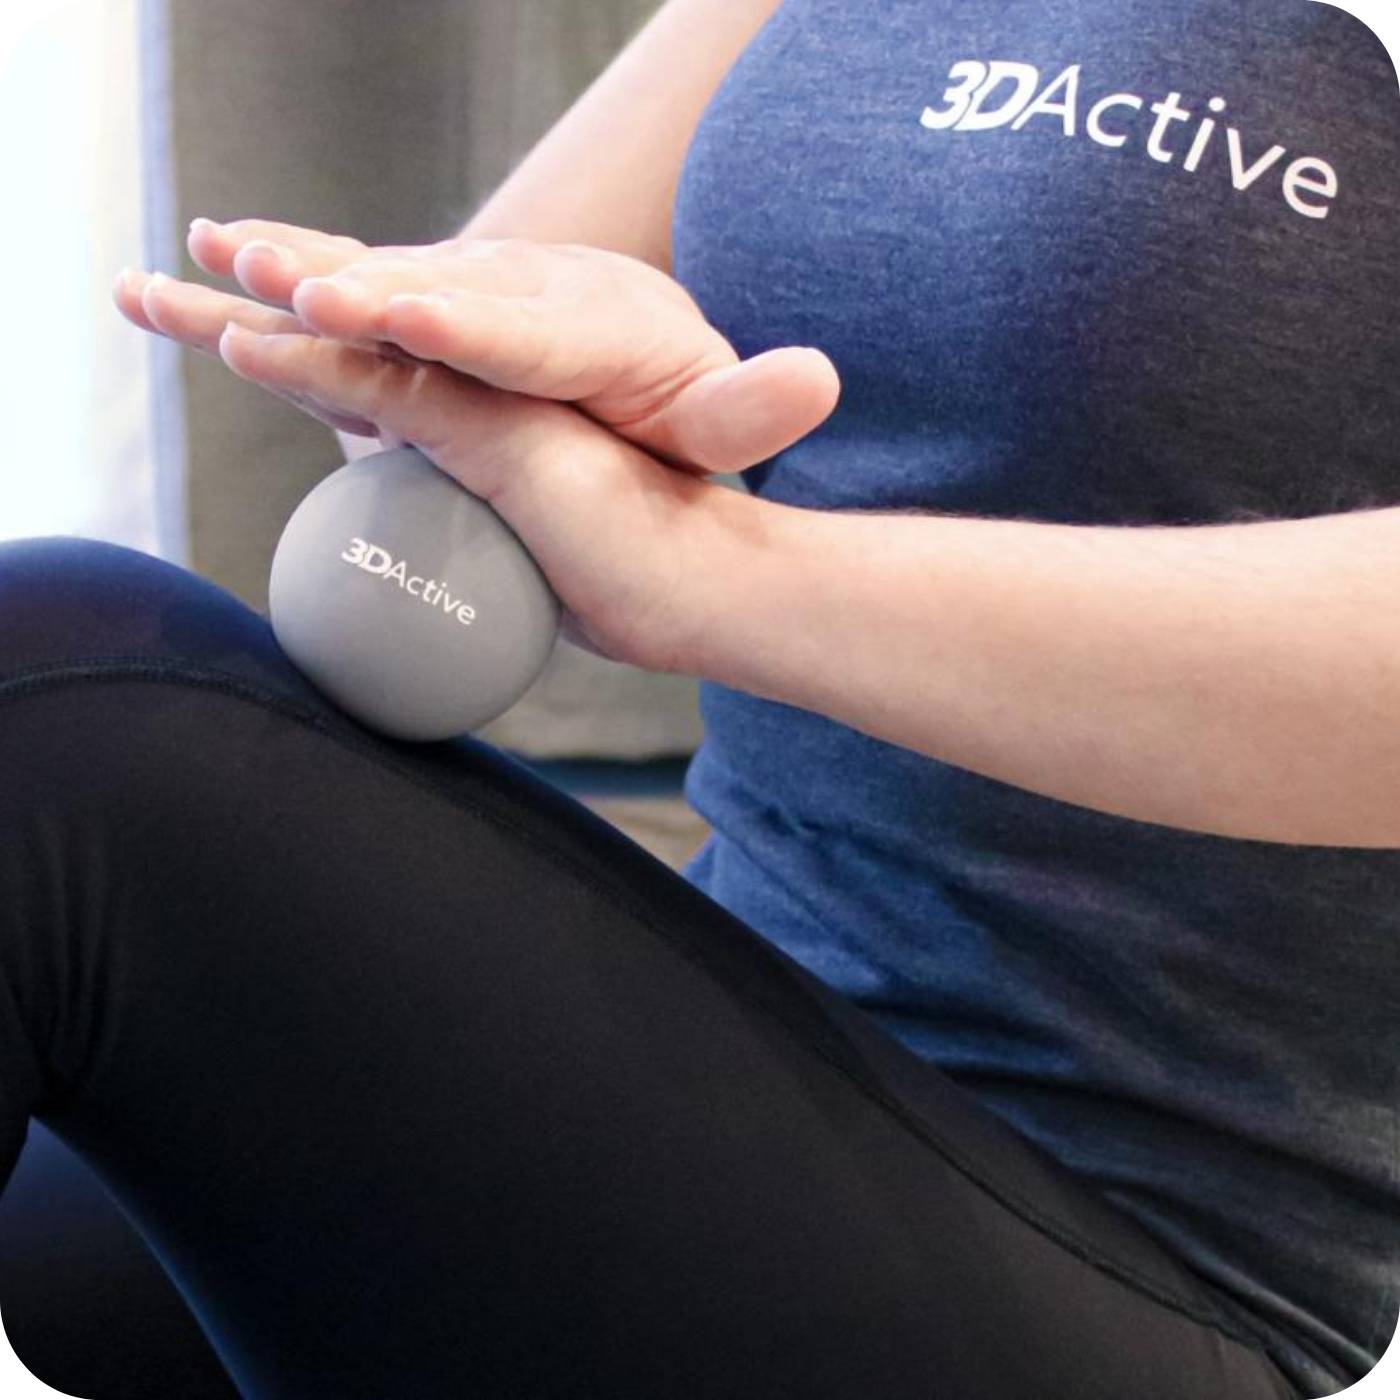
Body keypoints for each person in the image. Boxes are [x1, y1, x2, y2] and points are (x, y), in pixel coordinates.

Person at [2, 0, 1395, 1394]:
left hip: (1163, 1246)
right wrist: (462, 371)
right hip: (748, 1002)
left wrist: (717, 572)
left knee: (57, 717)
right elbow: (491, 325)